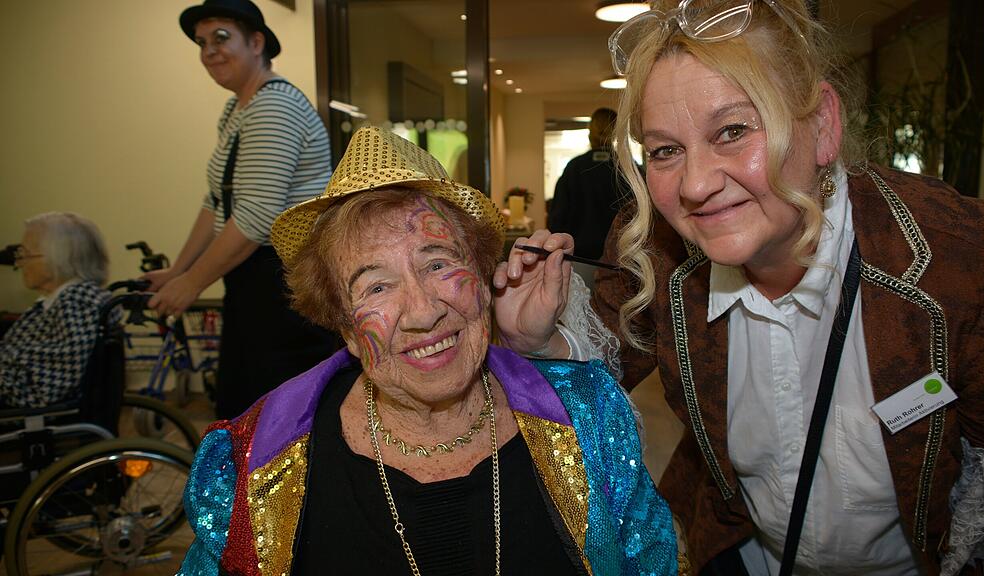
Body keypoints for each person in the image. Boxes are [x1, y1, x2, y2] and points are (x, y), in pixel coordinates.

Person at [493, 1, 984, 575]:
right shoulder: (655, 251)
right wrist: (539, 340)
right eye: (666, 150)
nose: (695, 186)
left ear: (822, 126)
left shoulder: (964, 258)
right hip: (740, 555)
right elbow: (603, 366)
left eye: (733, 131)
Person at [176, 127, 679, 575]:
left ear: (482, 275)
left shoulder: (589, 416)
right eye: (376, 287)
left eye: (437, 264)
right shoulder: (254, 460)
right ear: (344, 326)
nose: (422, 312)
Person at [147, 0, 336, 419]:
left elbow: (255, 216)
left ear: (256, 43)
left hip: (284, 286)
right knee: (245, 407)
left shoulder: (275, 107)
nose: (209, 51)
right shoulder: (237, 108)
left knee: (275, 414)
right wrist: (179, 270)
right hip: (253, 282)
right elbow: (217, 201)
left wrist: (192, 284)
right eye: (201, 43)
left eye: (220, 38)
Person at [0, 213, 111, 408]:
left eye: (25, 254)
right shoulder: (66, 299)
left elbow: (45, 387)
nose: (19, 263)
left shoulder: (77, 302)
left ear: (59, 258)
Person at [548, 108, 628, 262]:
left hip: (579, 257)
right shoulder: (628, 169)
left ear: (590, 132)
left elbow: (557, 218)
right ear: (616, 132)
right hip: (620, 259)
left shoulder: (574, 168)